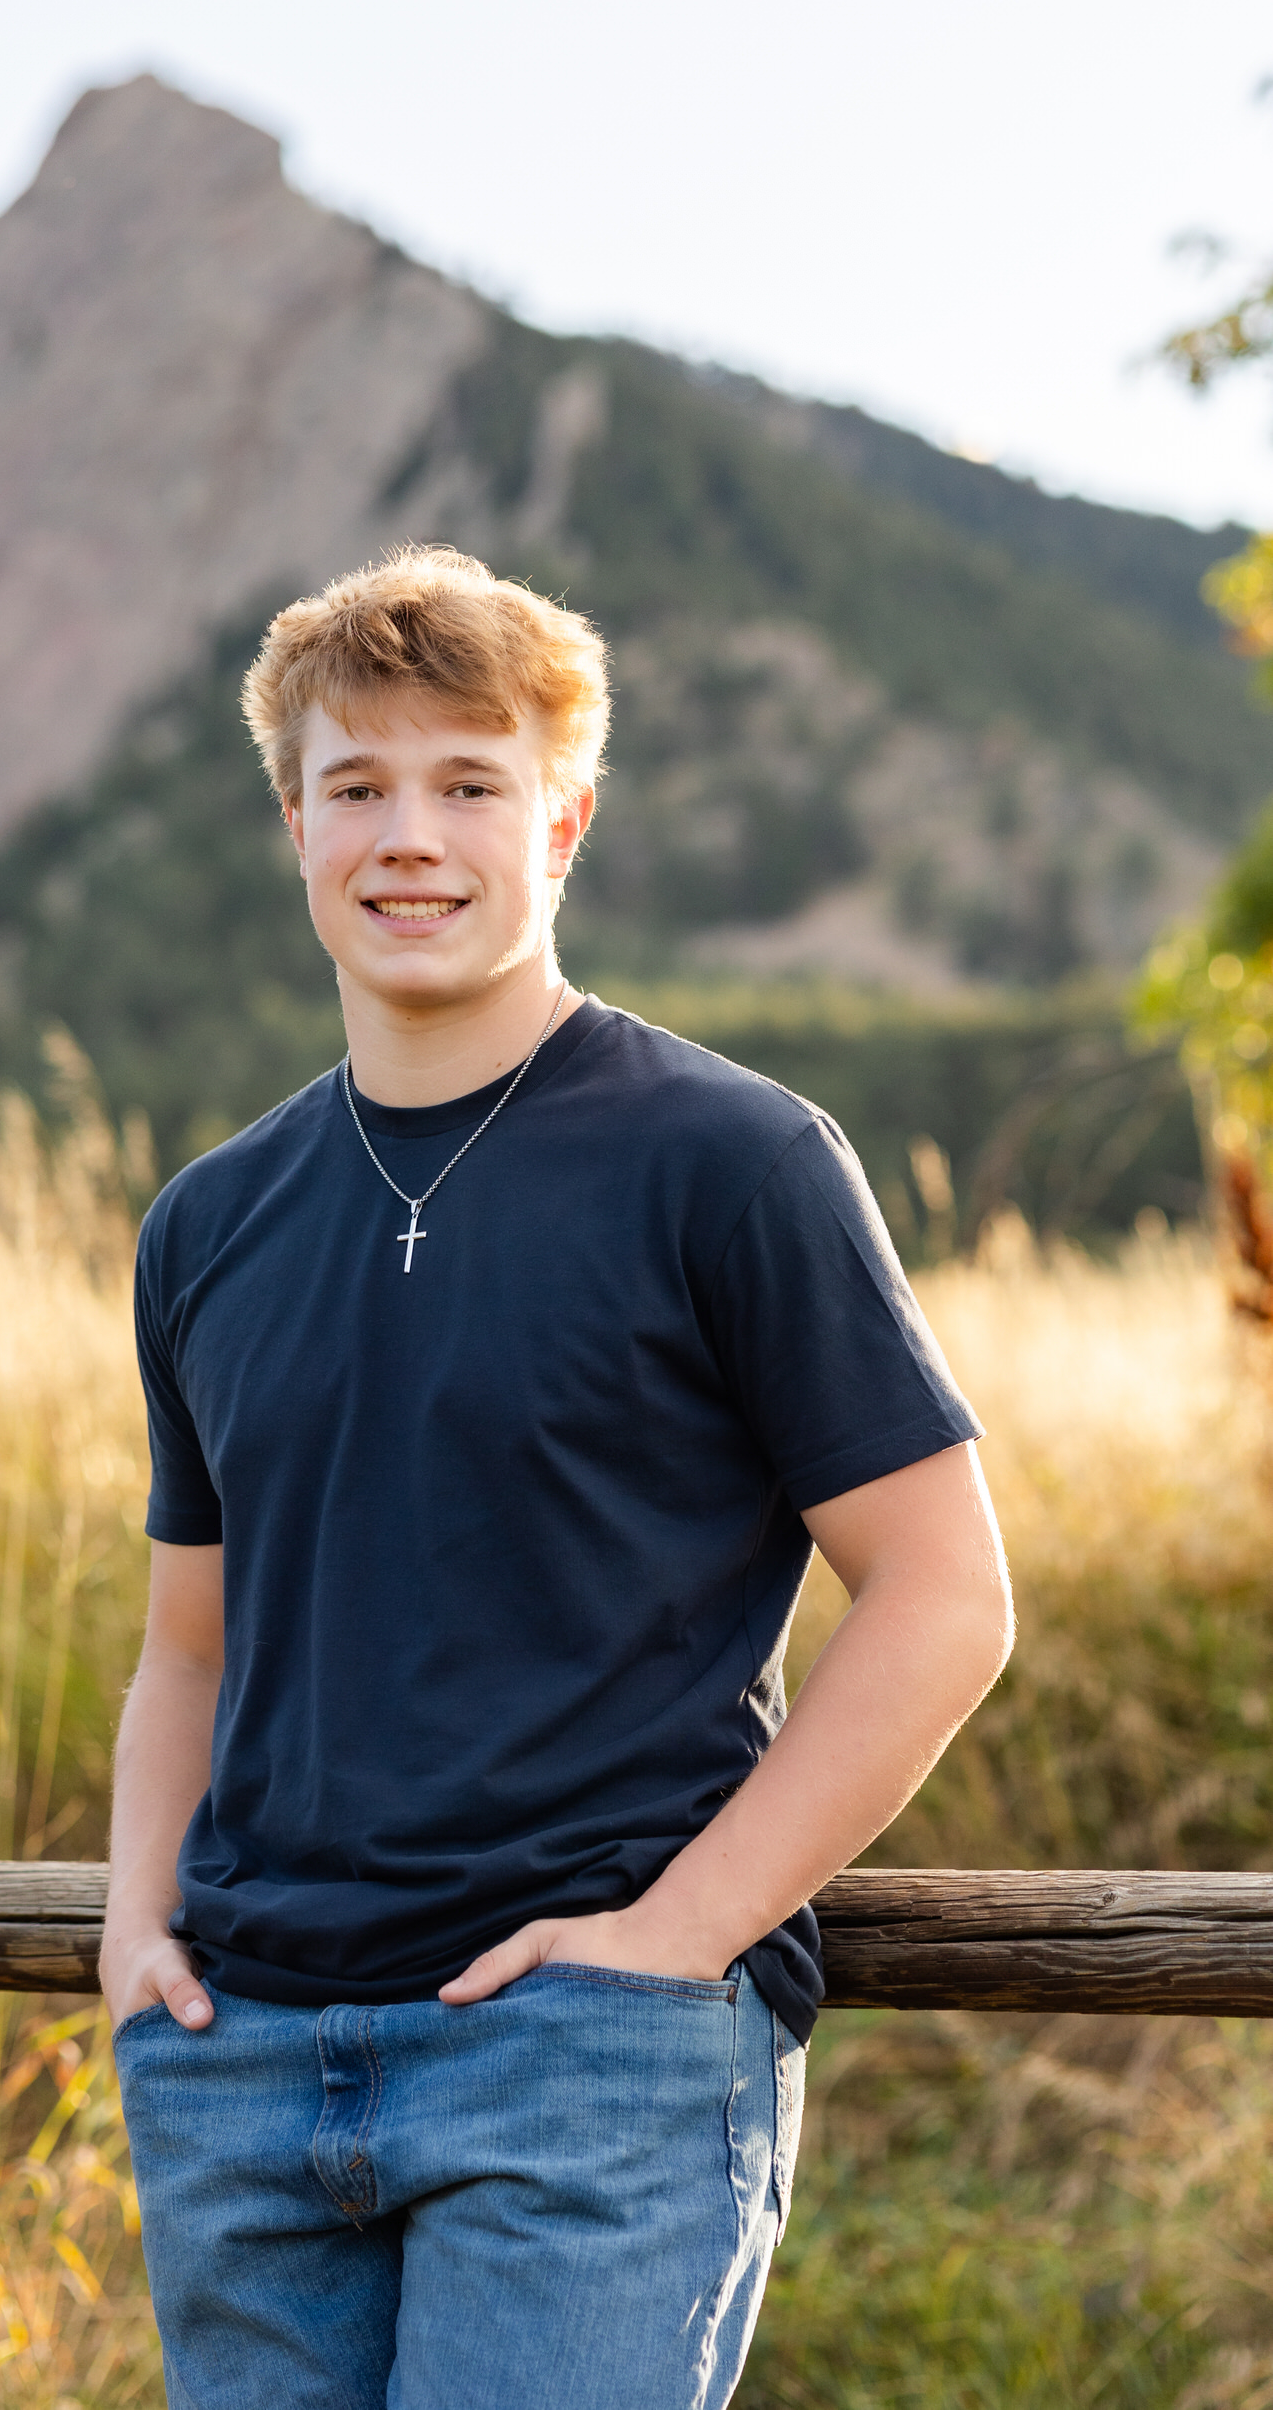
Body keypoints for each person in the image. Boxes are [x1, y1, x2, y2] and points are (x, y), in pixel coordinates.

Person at [101, 545, 1013, 2410]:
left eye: (470, 783)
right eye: (356, 785)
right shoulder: (207, 1223)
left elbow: (944, 1597)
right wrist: (134, 1921)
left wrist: (670, 1949)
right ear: (294, 825)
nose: (408, 836)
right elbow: (190, 1647)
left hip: (589, 2071)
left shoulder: (733, 1163)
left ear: (565, 820)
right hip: (245, 2066)